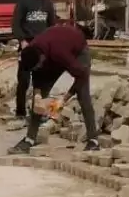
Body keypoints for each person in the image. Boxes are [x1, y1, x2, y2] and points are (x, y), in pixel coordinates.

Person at [7, 18, 100, 155]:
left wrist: (64, 99)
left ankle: (93, 141)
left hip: (77, 50)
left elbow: (82, 76)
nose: (37, 68)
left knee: (83, 95)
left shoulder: (59, 53)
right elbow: (37, 76)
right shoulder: (33, 51)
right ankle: (29, 139)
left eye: (38, 66)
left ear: (42, 58)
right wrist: (38, 96)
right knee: (37, 102)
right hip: (52, 54)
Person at [10, 0, 58, 120]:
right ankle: (20, 112)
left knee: (41, 82)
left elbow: (52, 26)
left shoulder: (48, 4)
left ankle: (38, 112)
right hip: (27, 47)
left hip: (42, 48)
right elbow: (15, 24)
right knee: (23, 81)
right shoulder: (24, 2)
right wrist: (22, 41)